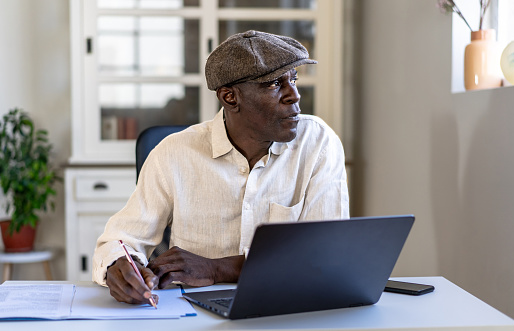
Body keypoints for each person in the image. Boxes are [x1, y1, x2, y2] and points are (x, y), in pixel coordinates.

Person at [92, 30, 350, 305]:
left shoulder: (319, 144)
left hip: (289, 309)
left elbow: (324, 256)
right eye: (276, 84)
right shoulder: (173, 153)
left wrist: (216, 269)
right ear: (230, 97)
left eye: (294, 80)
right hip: (192, 315)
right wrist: (118, 266)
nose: (294, 95)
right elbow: (119, 241)